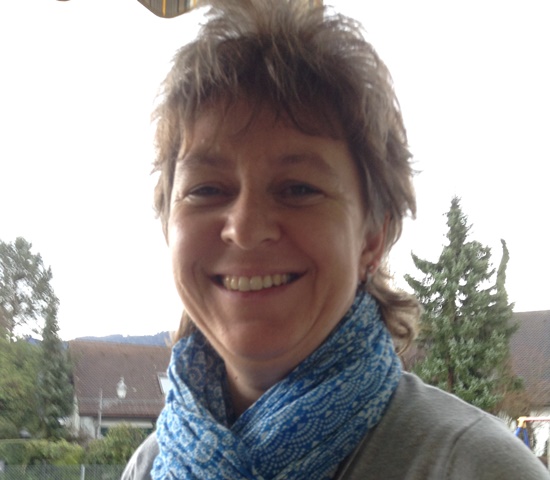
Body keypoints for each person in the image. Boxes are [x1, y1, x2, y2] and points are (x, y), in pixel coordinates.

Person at [122, 0, 549, 478]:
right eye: (206, 189)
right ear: (168, 223)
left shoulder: (477, 468)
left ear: (373, 236)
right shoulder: (150, 465)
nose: (245, 228)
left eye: (298, 189)